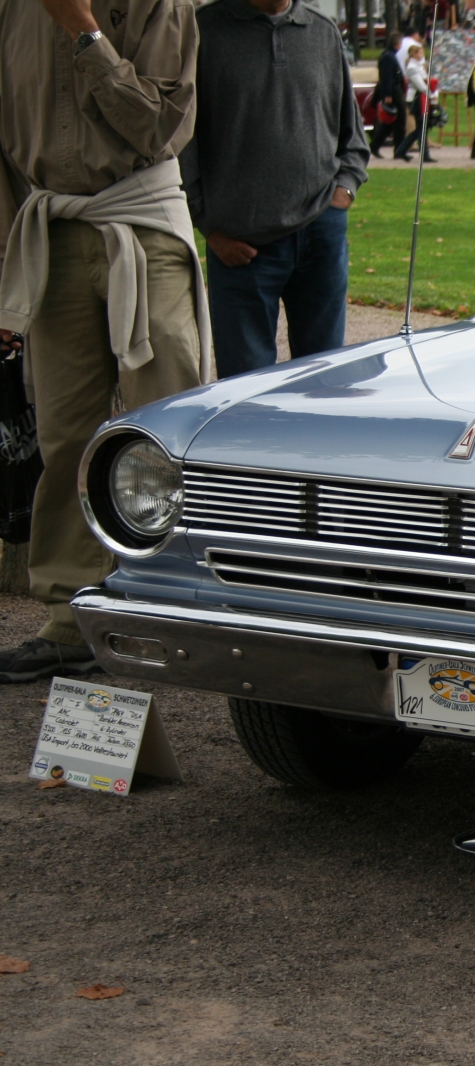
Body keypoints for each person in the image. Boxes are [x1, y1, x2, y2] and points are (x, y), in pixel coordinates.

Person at [0, 0, 209, 680]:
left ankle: (187, 606)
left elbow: (158, 126)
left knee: (169, 427)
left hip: (142, 228)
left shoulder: (161, 5)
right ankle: (68, 614)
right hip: (50, 238)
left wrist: (83, 32)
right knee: (64, 436)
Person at [184, 0, 369, 380]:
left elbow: (352, 135)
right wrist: (208, 225)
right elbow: (182, 141)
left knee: (324, 382)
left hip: (321, 236)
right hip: (240, 247)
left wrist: (344, 193)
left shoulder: (322, 30)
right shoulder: (203, 30)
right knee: (243, 391)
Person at [394, 44, 437, 161]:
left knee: (421, 128)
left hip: (422, 98)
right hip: (416, 99)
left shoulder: (418, 66)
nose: (422, 54)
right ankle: (424, 155)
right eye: (419, 53)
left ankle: (401, 150)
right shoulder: (412, 67)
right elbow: (420, 85)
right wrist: (432, 95)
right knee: (422, 127)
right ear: (413, 54)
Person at [370, 34, 408, 158]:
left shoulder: (389, 55)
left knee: (390, 121)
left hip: (393, 89)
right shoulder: (388, 57)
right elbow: (386, 77)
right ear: (397, 44)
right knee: (400, 118)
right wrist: (387, 94)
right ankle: (399, 149)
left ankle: (376, 145)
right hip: (392, 90)